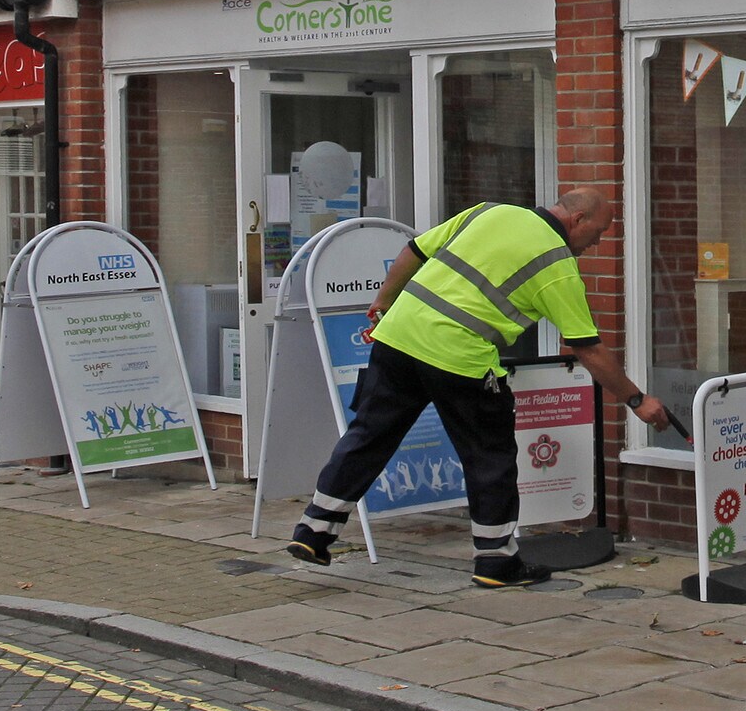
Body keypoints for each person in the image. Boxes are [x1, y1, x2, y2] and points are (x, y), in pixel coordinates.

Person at [287, 186, 671, 586]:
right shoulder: (557, 265)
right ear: (578, 220)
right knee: (490, 456)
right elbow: (588, 350)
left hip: (398, 338)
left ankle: (313, 532)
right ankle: (496, 563)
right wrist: (637, 400)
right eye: (599, 231)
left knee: (370, 435)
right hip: (459, 359)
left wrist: (383, 303)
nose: (599, 241)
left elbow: (414, 251)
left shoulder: (489, 211)